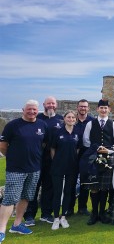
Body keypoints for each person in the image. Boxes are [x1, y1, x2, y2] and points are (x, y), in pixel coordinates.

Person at [0, 100, 47, 242]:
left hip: (34, 168)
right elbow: (2, 146)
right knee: (9, 199)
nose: (32, 112)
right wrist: (14, 157)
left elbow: (42, 144)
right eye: (29, 109)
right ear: (23, 110)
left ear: (37, 110)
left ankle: (17, 224)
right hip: (16, 169)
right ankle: (1, 230)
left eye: (34, 110)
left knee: (26, 197)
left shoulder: (42, 125)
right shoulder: (12, 125)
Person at [25, 96, 63, 225]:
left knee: (49, 188)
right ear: (44, 105)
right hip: (36, 160)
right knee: (33, 187)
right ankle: (29, 215)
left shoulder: (60, 120)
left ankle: (46, 214)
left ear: (56, 105)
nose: (51, 105)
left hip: (53, 160)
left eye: (53, 103)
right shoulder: (38, 119)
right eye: (48, 103)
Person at [82, 99, 114, 225]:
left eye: (106, 108)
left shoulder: (113, 124)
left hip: (108, 158)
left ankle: (102, 213)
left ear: (109, 110)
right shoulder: (90, 124)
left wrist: (108, 151)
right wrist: (97, 148)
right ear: (97, 109)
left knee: (104, 187)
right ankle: (94, 213)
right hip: (93, 157)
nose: (103, 110)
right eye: (101, 108)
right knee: (94, 186)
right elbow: (85, 140)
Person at [50, 110, 79, 230]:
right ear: (64, 118)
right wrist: (56, 161)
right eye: (69, 117)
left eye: (73, 117)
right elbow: (52, 149)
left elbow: (77, 149)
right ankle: (56, 218)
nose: (71, 119)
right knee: (57, 192)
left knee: (68, 192)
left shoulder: (77, 133)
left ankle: (64, 216)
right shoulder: (58, 132)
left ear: (75, 120)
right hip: (58, 167)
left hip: (71, 167)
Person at [69, 99, 93, 216]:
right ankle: (69, 208)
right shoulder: (72, 120)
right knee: (71, 182)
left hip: (87, 156)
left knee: (85, 183)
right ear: (77, 107)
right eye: (81, 106)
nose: (83, 109)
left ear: (88, 108)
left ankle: (82, 207)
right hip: (73, 156)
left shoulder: (92, 121)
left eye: (85, 107)